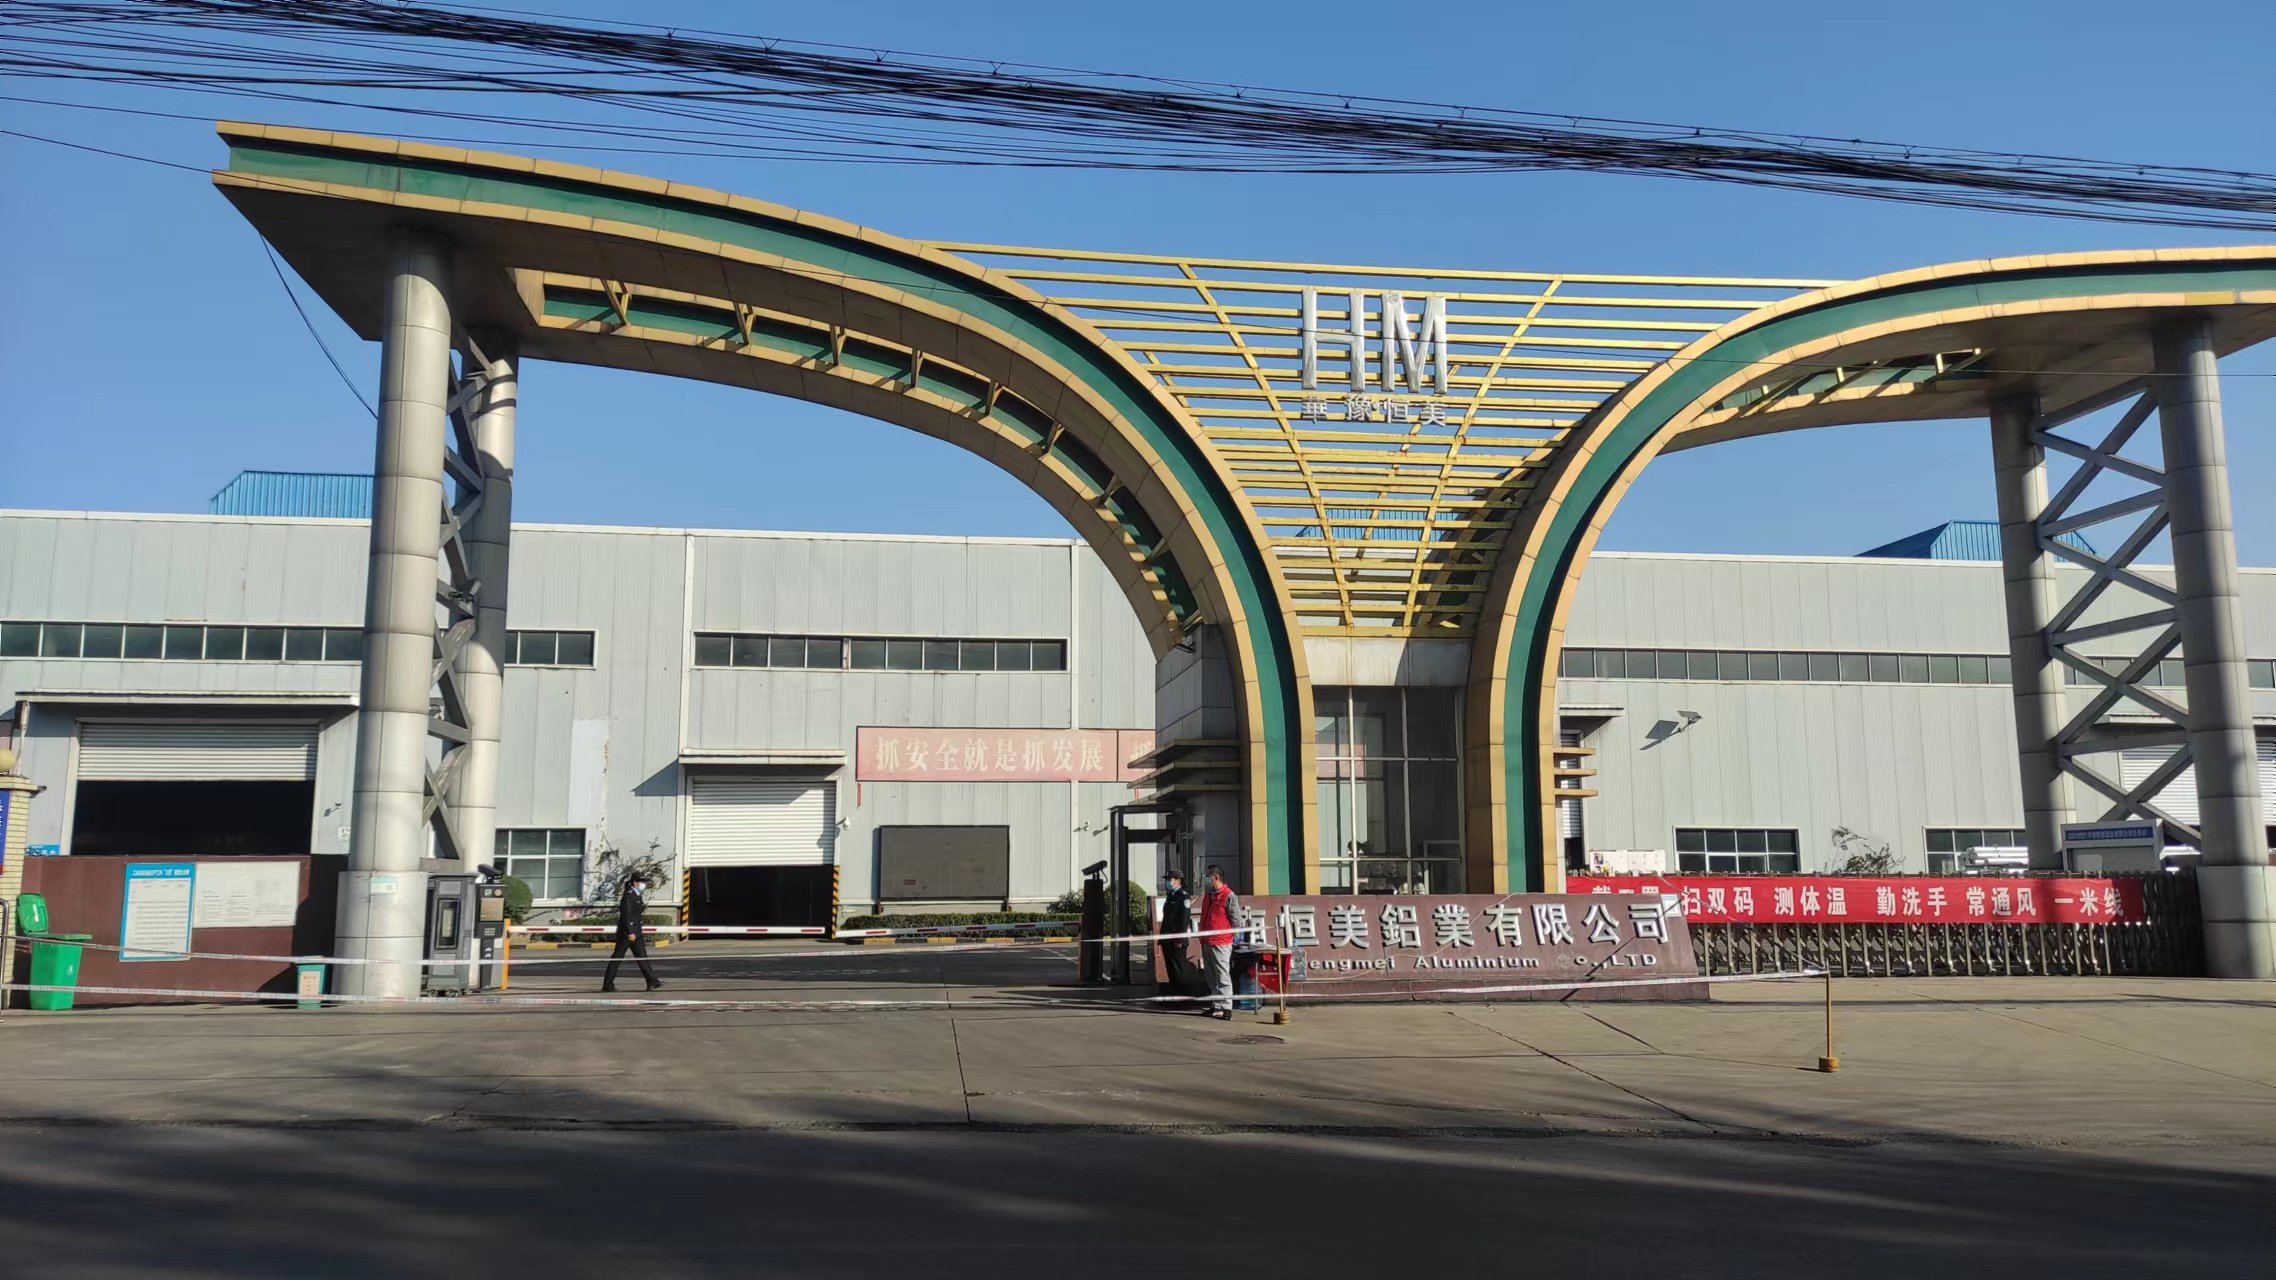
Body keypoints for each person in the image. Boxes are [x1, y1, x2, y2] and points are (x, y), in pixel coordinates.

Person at [602, 870, 663, 993]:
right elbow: (627, 915)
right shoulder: (628, 895)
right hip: (627, 934)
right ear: (635, 882)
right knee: (617, 959)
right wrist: (630, 932)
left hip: (636, 932)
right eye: (642, 882)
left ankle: (652, 981)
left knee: (642, 958)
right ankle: (607, 984)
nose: (644, 884)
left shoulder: (636, 894)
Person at [1197, 864, 1241, 1020]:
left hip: (1221, 942)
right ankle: (1216, 1005)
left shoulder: (1229, 895)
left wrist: (1229, 937)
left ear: (1215, 878)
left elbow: (1236, 921)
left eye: (1208, 877)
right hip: (1206, 941)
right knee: (1210, 975)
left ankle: (1227, 1008)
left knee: (1222, 975)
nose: (1206, 880)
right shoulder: (1209, 895)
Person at [1156, 869, 1207, 1002]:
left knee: (1179, 969)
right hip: (1167, 939)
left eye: (1170, 880)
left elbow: (1184, 920)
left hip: (1176, 940)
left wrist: (1179, 939)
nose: (1168, 882)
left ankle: (1183, 995)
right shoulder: (1171, 896)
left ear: (1178, 881)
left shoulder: (1183, 897)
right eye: (1167, 880)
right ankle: (1175, 994)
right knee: (1171, 968)